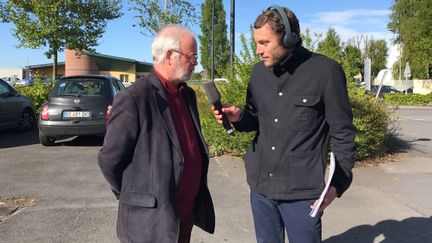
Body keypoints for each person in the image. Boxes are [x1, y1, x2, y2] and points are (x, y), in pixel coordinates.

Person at [212, 5, 356, 243]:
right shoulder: (258, 73)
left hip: (302, 195)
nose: (258, 50)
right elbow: (255, 120)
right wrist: (239, 117)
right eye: (256, 43)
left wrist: (337, 185)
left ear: (289, 38)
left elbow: (343, 134)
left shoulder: (326, 72)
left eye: (264, 43)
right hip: (261, 189)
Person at [98, 24, 215, 243]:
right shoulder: (135, 98)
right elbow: (109, 159)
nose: (196, 62)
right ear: (171, 56)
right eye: (193, 56)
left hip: (184, 217)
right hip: (149, 224)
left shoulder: (186, 95)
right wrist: (132, 197)